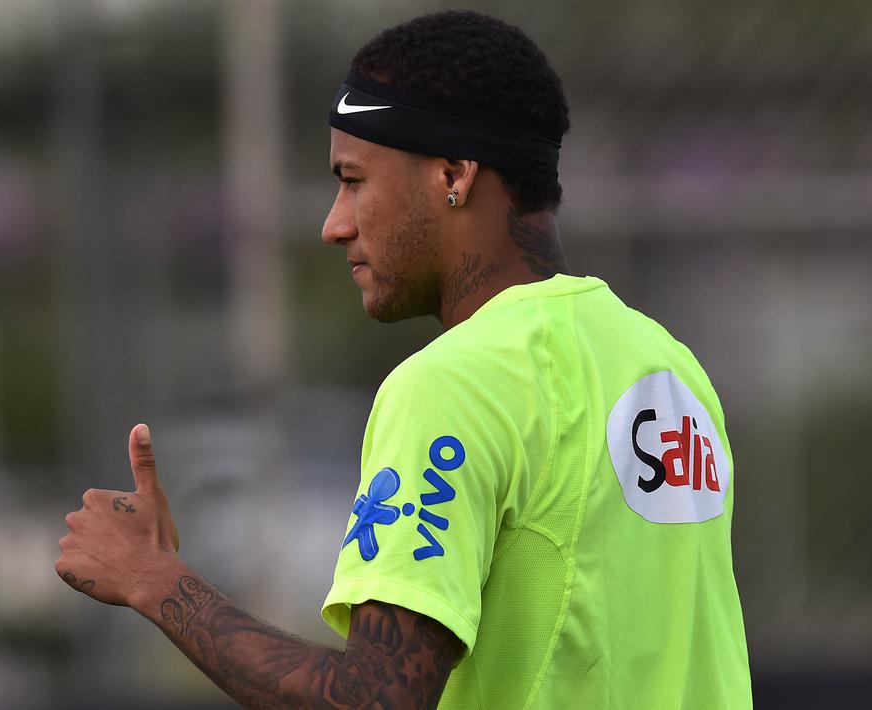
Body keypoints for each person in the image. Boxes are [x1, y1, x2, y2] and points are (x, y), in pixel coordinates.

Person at [56, 10, 751, 709]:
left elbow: (375, 700)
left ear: (452, 174)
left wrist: (154, 579)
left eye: (353, 180)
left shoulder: (458, 382)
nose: (335, 224)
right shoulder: (668, 366)